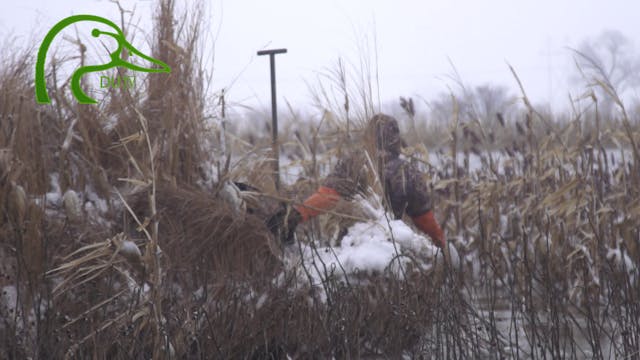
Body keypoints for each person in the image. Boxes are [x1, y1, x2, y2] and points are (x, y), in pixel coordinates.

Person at [269, 113, 445, 249]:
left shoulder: (354, 161)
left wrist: (296, 215)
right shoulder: (408, 171)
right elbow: (425, 220)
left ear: (369, 136)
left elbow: (328, 197)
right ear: (396, 139)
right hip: (392, 248)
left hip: (353, 247)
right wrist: (442, 245)